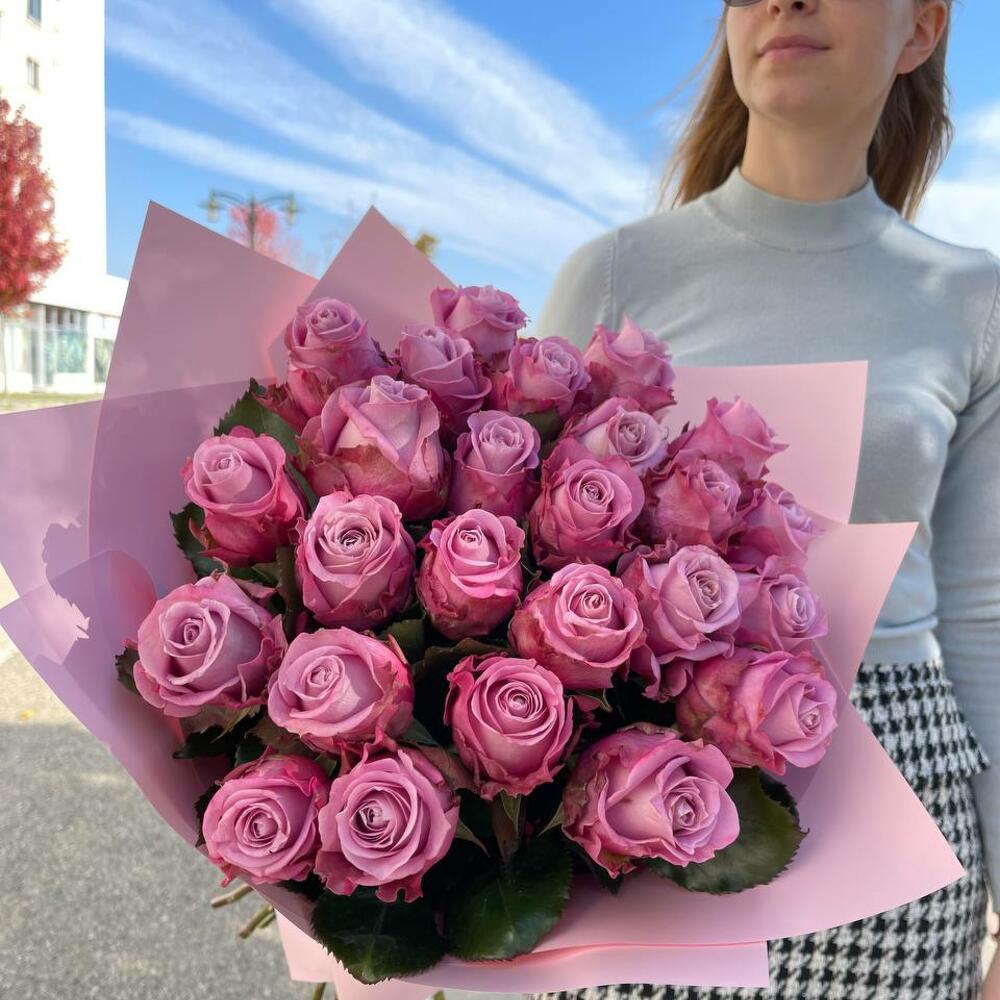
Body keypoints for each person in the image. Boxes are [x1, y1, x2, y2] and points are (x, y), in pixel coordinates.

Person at [527, 1, 1000, 998]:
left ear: (920, 30)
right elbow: (528, 573)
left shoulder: (974, 302)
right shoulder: (611, 276)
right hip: (641, 801)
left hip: (898, 806)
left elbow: (983, 617)